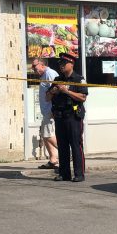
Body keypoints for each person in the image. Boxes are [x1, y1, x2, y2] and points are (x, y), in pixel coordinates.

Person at [47, 53, 87, 182]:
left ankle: (79, 174)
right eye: (60, 64)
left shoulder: (79, 79)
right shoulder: (57, 79)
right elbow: (47, 98)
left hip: (73, 116)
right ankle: (64, 173)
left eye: (64, 64)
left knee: (76, 145)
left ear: (71, 64)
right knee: (62, 146)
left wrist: (66, 91)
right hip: (59, 116)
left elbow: (83, 97)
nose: (61, 66)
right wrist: (52, 92)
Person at [31, 57, 59, 171]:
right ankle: (53, 160)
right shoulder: (43, 76)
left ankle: (67, 151)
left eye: (34, 66)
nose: (33, 69)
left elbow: (57, 90)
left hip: (50, 111)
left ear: (42, 64)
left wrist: (54, 109)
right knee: (45, 134)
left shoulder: (50, 74)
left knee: (48, 135)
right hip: (46, 111)